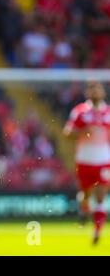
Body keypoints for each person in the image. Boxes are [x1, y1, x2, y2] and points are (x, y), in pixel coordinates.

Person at [63, 81, 110, 245]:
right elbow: (67, 133)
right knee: (86, 194)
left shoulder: (109, 112)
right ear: (87, 93)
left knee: (101, 195)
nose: (96, 93)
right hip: (84, 160)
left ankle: (97, 231)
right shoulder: (80, 112)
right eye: (92, 90)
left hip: (104, 160)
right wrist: (82, 131)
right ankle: (83, 208)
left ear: (103, 93)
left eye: (98, 89)